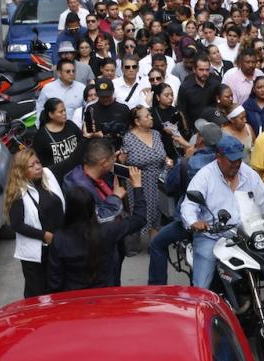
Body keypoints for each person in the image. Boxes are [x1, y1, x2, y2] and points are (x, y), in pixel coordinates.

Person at [180, 135, 264, 288]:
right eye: (232, 160)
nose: (236, 164)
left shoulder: (248, 173)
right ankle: (199, 303)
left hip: (246, 234)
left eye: (239, 160)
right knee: (201, 284)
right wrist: (194, 222)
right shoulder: (205, 176)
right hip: (213, 235)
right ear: (219, 157)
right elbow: (189, 205)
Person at [147, 120, 223, 285]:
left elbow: (169, 187)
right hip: (223, 219)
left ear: (200, 139)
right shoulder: (225, 161)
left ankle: (157, 289)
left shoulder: (187, 163)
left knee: (156, 243)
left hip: (192, 222)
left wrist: (182, 161)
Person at [47, 167, 145, 292]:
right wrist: (137, 186)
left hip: (73, 298)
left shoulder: (59, 239)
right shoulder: (107, 231)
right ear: (92, 208)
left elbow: (55, 280)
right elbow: (139, 219)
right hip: (105, 295)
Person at [4, 150, 65, 298]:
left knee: (58, 291)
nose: (38, 167)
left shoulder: (47, 180)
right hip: (36, 256)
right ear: (21, 171)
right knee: (37, 295)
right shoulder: (18, 193)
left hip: (56, 248)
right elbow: (17, 224)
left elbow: (69, 163)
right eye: (31, 165)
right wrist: (44, 235)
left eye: (38, 162)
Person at [122, 106, 171, 240]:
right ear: (137, 122)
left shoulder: (156, 134)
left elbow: (161, 154)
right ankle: (133, 242)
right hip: (140, 181)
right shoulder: (128, 138)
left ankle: (154, 245)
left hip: (158, 180)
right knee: (142, 213)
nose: (151, 118)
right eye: (147, 116)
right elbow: (123, 162)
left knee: (157, 213)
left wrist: (167, 160)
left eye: (150, 115)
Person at [32, 98, 83, 181]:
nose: (64, 114)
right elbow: (40, 161)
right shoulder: (41, 136)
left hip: (79, 173)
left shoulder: (70, 125)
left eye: (64, 110)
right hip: (58, 178)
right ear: (51, 115)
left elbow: (82, 144)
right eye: (60, 112)